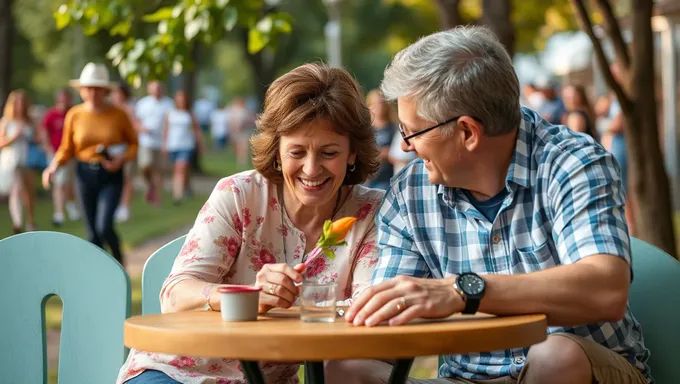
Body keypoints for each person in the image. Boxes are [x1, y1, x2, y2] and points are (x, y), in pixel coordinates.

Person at [327, 26, 651, 384]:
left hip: (582, 369)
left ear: (467, 132)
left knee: (555, 355)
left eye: (411, 132)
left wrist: (460, 290)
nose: (405, 147)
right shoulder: (410, 190)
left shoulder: (573, 163)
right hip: (466, 378)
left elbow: (605, 289)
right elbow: (387, 324)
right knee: (346, 370)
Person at [117, 62, 384, 384]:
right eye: (297, 152)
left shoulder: (370, 212)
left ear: (353, 153)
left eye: (329, 153)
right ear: (277, 151)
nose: (311, 170)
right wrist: (246, 294)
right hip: (178, 372)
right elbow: (176, 294)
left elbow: (369, 308)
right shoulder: (240, 195)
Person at [42, 63, 138, 265]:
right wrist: (53, 167)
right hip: (85, 174)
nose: (93, 93)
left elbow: (133, 144)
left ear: (105, 90)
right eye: (89, 88)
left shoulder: (118, 114)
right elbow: (66, 148)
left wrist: (121, 159)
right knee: (92, 233)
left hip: (111, 174)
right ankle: (100, 275)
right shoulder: (75, 115)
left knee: (104, 226)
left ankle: (119, 263)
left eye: (98, 88)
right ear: (82, 91)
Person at [0, 90, 45, 233]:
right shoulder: (6, 122)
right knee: (16, 191)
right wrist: (13, 137)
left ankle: (31, 221)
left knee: (29, 193)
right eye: (17, 103)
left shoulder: (30, 121)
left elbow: (38, 139)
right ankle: (18, 222)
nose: (19, 106)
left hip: (28, 161)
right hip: (11, 162)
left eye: (22, 103)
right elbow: (1, 142)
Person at [41, 88, 81, 226]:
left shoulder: (74, 113)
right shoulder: (51, 115)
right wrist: (48, 150)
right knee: (59, 183)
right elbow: (44, 133)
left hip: (72, 155)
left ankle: (71, 203)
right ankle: (59, 213)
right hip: (56, 154)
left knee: (68, 183)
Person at [162, 90, 203, 205]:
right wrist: (164, 144)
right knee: (180, 170)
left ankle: (177, 195)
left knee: (180, 167)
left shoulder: (190, 114)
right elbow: (166, 130)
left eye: (183, 100)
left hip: (186, 145)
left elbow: (196, 130)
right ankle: (187, 186)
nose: (181, 102)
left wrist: (200, 144)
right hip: (173, 145)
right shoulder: (170, 113)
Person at [136, 81, 173, 206]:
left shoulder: (168, 103)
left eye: (158, 88)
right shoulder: (143, 103)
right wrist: (142, 129)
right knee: (145, 165)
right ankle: (150, 185)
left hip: (162, 142)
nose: (156, 91)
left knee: (159, 170)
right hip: (146, 141)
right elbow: (137, 121)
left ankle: (157, 197)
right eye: (154, 88)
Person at [111, 83, 139, 223]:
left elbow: (135, 128)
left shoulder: (129, 109)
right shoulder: (109, 110)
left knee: (128, 178)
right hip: (113, 151)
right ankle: (116, 206)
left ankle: (125, 207)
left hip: (127, 149)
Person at [364, 89, 395, 191]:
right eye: (375, 104)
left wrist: (375, 152)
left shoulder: (394, 128)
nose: (379, 107)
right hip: (367, 178)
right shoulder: (365, 130)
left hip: (388, 178)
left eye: (381, 103)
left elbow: (395, 152)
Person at [228, 96, 255, 166]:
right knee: (237, 146)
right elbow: (230, 121)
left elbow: (251, 120)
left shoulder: (246, 110)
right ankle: (239, 159)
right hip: (236, 131)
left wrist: (244, 124)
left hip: (244, 131)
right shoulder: (233, 110)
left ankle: (242, 161)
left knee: (244, 146)